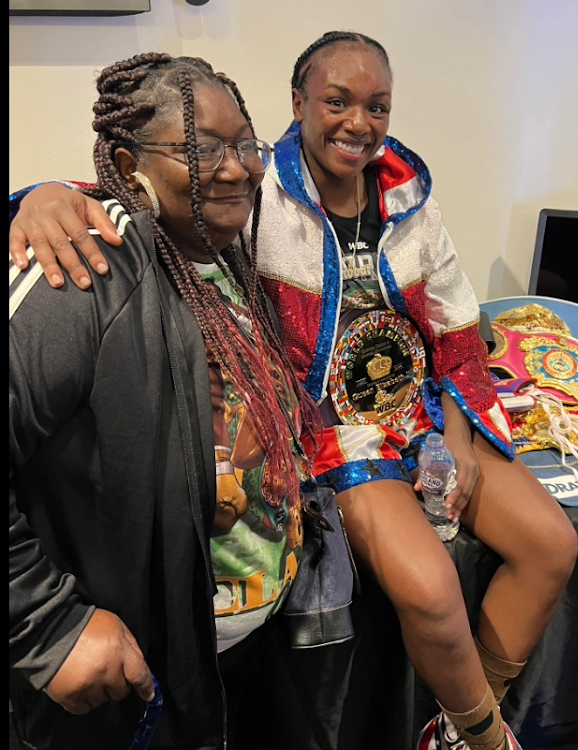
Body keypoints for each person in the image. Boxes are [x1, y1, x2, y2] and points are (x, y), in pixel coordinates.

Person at [10, 33, 578, 750]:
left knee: (554, 541)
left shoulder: (396, 198)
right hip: (332, 442)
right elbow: (133, 193)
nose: (358, 122)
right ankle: (487, 737)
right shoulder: (246, 201)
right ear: (298, 104)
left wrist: (457, 433)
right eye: (336, 101)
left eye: (378, 106)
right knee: (432, 591)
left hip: (411, 429)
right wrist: (40, 198)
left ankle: (460, 730)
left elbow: (455, 323)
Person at [9, 53, 321, 750]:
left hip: (237, 654)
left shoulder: (229, 254)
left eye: (246, 144)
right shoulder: (84, 267)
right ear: (129, 160)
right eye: (202, 148)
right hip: (129, 684)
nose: (237, 166)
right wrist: (48, 626)